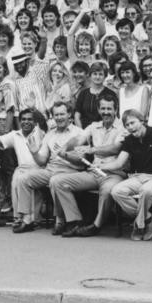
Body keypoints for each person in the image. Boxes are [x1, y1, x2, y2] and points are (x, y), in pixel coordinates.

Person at [49, 95, 125, 237]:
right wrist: (65, 148)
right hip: (94, 172)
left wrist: (92, 150)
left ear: (116, 109)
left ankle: (96, 225)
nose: (106, 112)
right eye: (103, 108)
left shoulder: (123, 127)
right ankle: (75, 221)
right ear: (98, 109)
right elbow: (78, 139)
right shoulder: (94, 126)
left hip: (114, 173)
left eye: (109, 108)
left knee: (107, 190)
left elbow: (116, 148)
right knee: (57, 181)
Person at [14, 101, 84, 235]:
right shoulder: (50, 134)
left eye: (62, 114)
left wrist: (65, 155)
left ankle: (60, 220)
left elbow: (81, 162)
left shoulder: (79, 133)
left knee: (55, 180)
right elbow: (42, 161)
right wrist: (34, 152)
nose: (59, 118)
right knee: (23, 178)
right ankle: (27, 219)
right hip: (50, 170)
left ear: (69, 114)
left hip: (69, 170)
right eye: (56, 115)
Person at [109, 109, 152, 241]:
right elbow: (119, 163)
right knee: (116, 191)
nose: (130, 127)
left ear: (142, 121)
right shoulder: (129, 140)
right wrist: (99, 166)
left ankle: (139, 225)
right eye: (127, 125)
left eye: (132, 122)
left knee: (146, 190)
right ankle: (148, 219)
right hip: (138, 177)